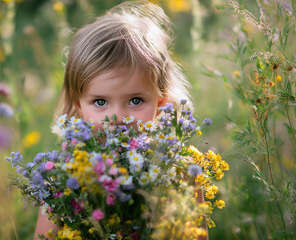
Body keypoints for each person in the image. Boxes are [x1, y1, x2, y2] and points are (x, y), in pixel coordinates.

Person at [34, 1, 205, 239]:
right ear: (78, 106)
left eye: (135, 100)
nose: (118, 118)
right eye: (101, 102)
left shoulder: (178, 171)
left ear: (161, 102)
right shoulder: (65, 177)